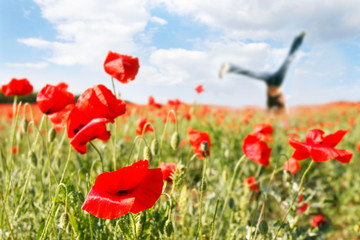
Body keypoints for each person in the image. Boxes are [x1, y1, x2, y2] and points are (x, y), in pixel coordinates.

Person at [219, 32, 306, 114]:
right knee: (288, 61)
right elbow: (282, 108)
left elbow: (273, 110)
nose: (283, 99)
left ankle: (229, 67)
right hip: (278, 81)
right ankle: (299, 39)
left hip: (269, 80)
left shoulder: (271, 103)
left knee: (252, 74)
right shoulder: (280, 103)